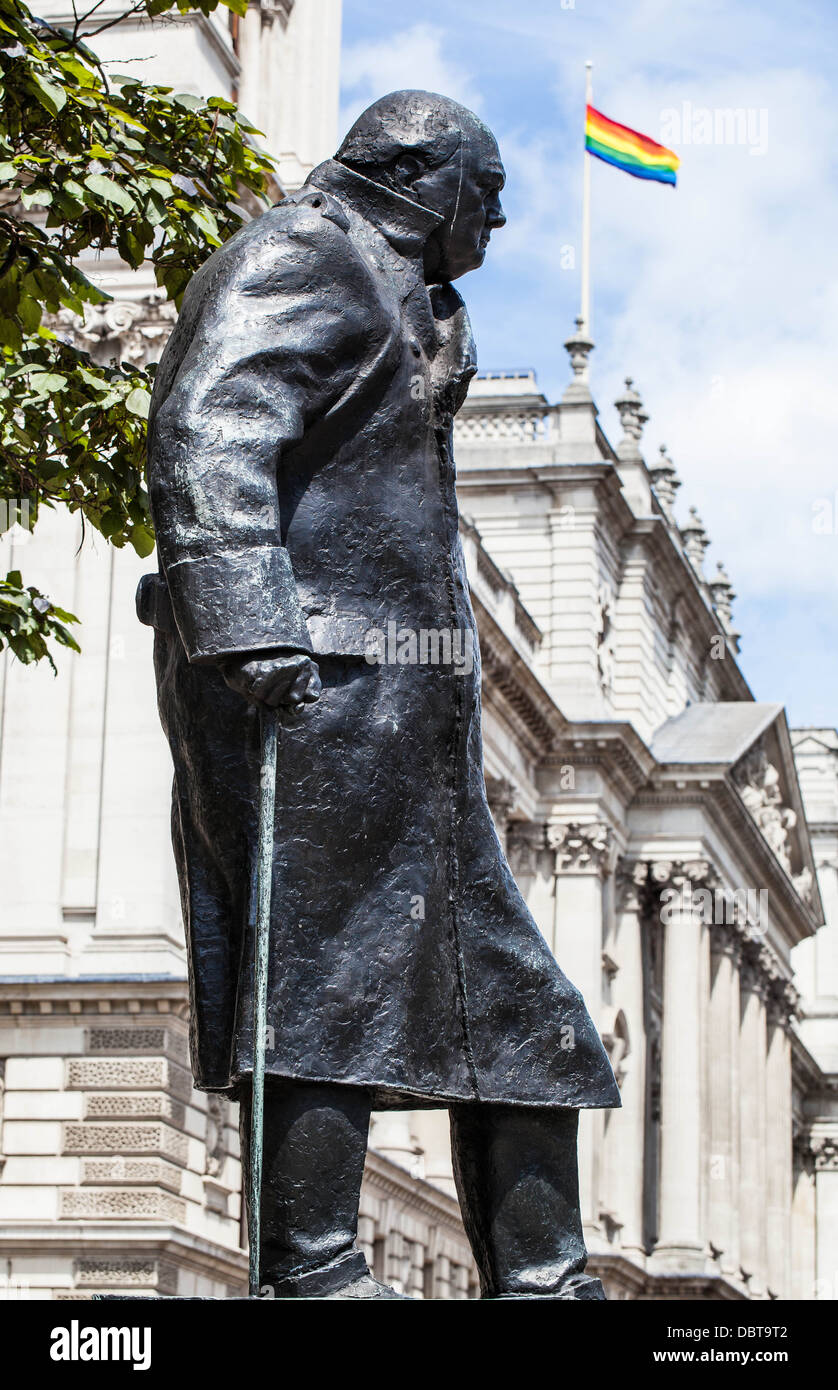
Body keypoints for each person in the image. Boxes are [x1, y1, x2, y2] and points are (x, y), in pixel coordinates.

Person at [139, 89, 620, 1300]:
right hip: (315, 689)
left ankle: (549, 1279)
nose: (499, 220)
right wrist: (249, 630)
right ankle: (313, 1272)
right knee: (320, 978)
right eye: (488, 193)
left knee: (529, 1015)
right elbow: (209, 430)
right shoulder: (308, 252)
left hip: (404, 716)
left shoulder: (395, 286)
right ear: (422, 174)